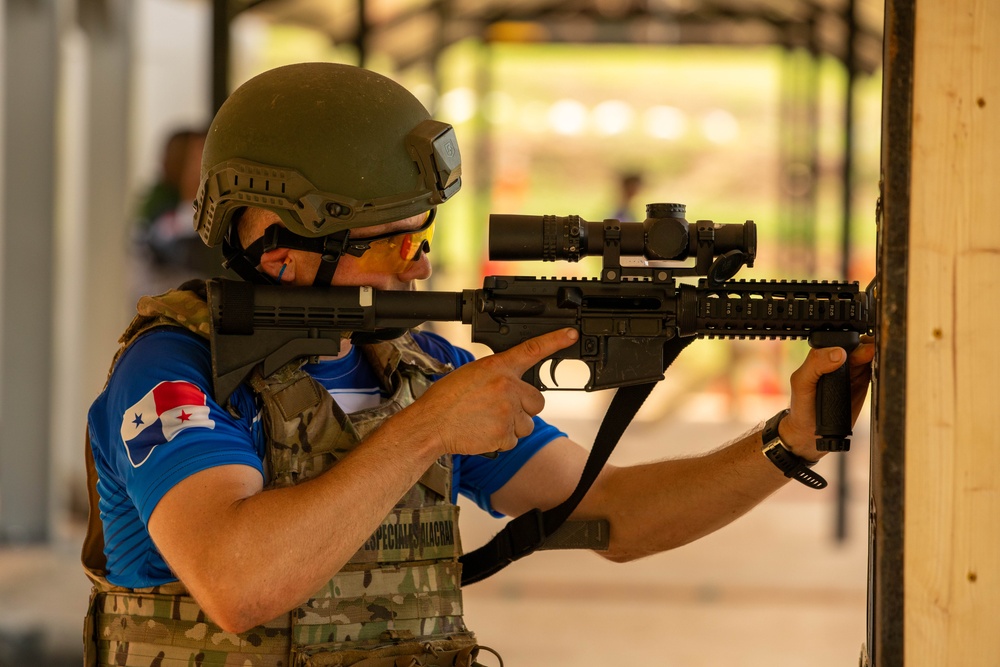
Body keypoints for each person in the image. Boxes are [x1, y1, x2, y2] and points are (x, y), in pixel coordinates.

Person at [83, 62, 875, 666]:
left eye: (424, 238)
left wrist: (788, 441)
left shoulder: (416, 365)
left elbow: (614, 516)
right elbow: (237, 581)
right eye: (395, 242)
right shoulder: (171, 373)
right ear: (282, 251)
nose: (420, 267)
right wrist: (428, 431)